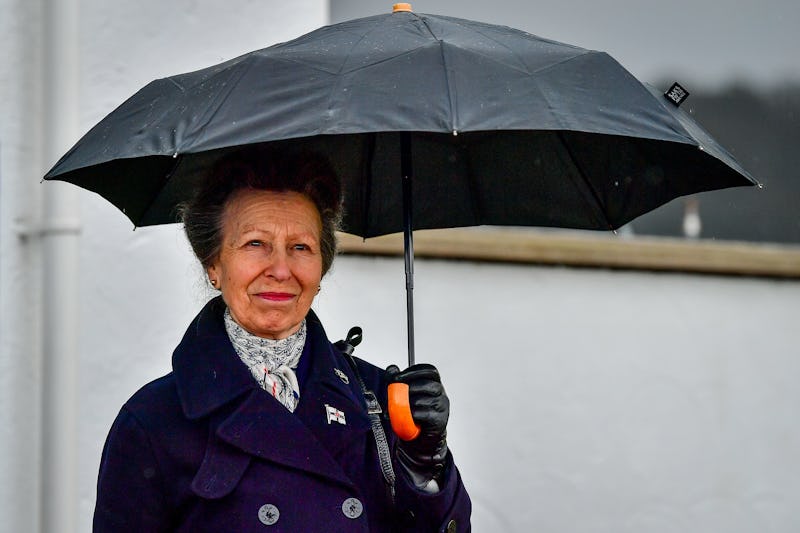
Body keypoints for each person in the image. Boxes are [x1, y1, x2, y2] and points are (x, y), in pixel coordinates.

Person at [93, 145, 471, 532]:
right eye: (256, 243)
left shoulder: (379, 401)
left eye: (300, 248)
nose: (280, 269)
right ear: (214, 265)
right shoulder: (153, 421)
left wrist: (427, 469)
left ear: (321, 268)